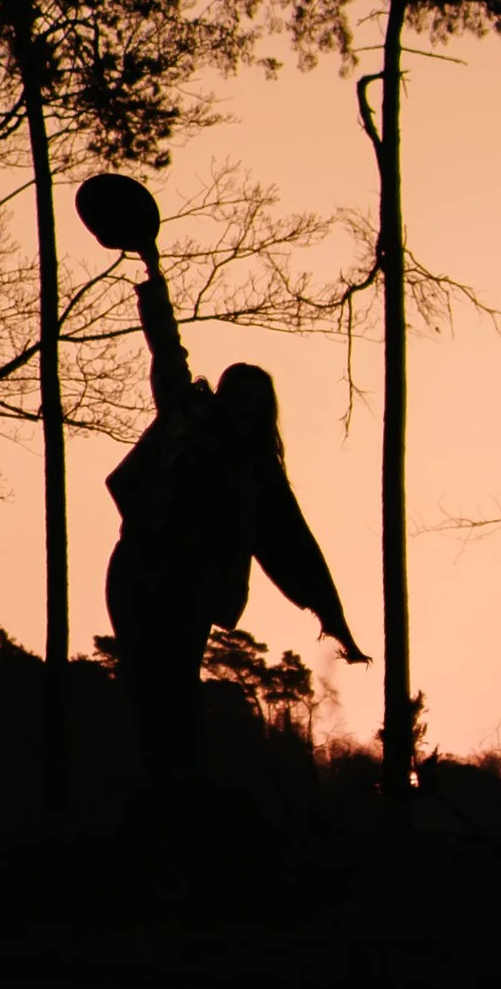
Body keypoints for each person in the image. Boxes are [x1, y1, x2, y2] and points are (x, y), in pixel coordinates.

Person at [104, 238, 366, 783]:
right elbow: (167, 350)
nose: (246, 411)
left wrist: (333, 617)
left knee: (174, 690)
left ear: (265, 414)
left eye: (256, 404)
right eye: (238, 399)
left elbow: (295, 545)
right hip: (141, 570)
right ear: (223, 400)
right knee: (146, 689)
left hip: (195, 588)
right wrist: (153, 278)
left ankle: (179, 795)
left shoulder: (259, 475)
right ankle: (158, 793)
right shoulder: (187, 418)